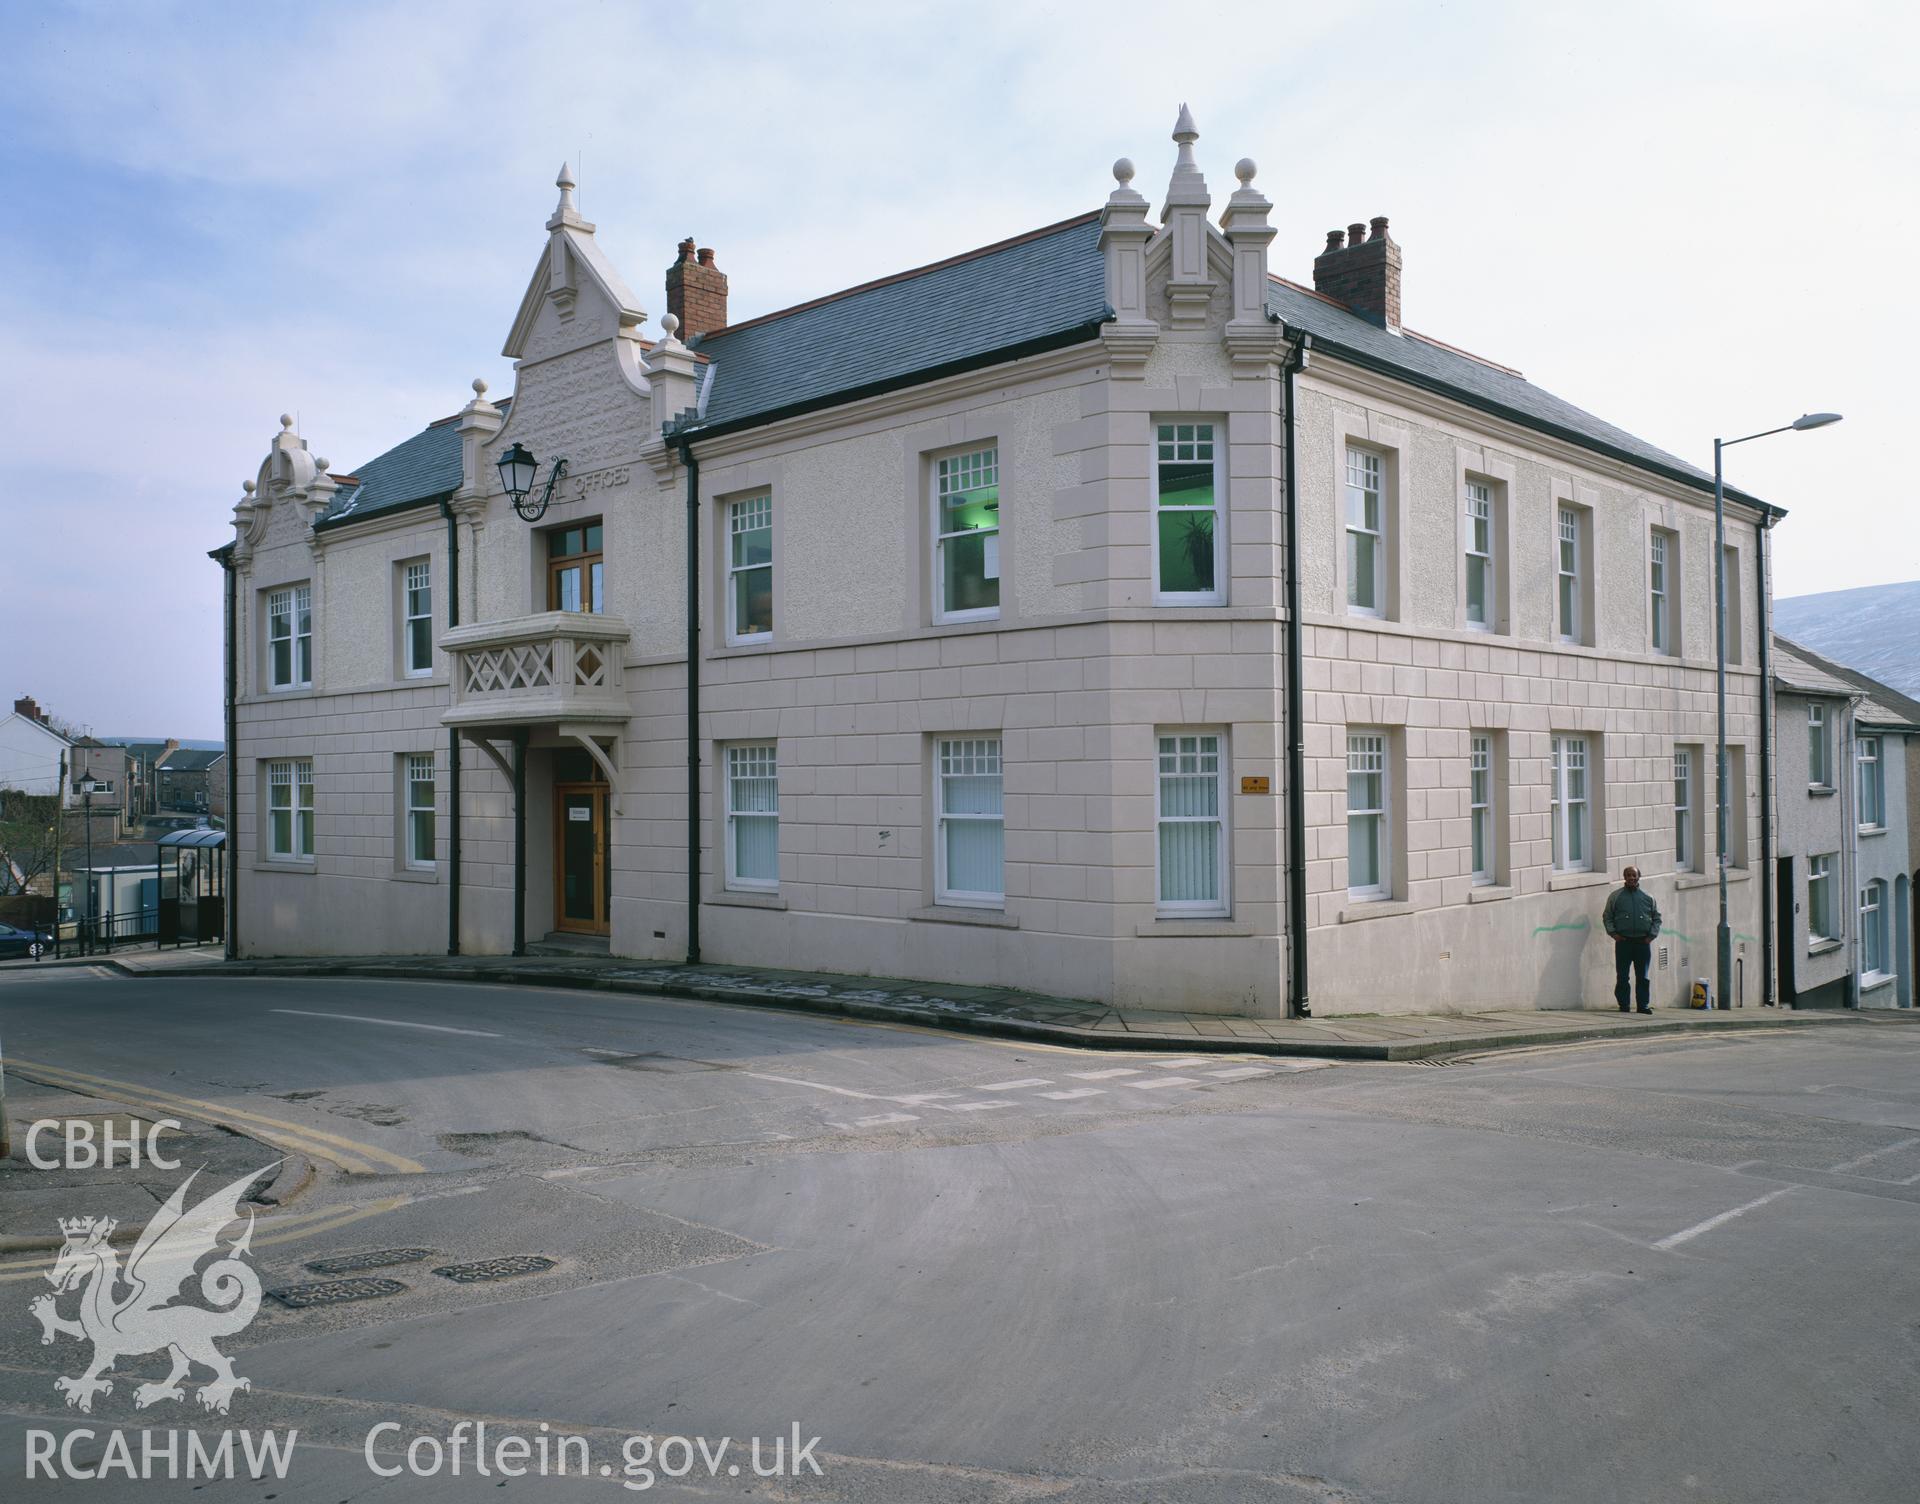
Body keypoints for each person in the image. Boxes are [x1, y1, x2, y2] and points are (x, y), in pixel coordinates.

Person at [1602, 865, 1661, 1014]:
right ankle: (1624, 1005)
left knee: (1643, 977)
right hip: (1624, 942)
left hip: (1642, 943)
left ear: (1638, 877)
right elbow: (1607, 916)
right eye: (1628, 875)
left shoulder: (1648, 897)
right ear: (1624, 877)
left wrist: (1651, 936)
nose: (1631, 878)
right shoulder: (1615, 897)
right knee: (1622, 976)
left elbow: (1657, 918)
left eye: (1634, 875)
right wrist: (1613, 934)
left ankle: (1643, 1006)